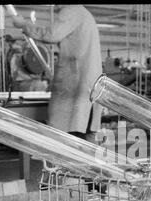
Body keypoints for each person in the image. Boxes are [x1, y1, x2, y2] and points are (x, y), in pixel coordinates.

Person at [12, 5, 103, 143]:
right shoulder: (84, 13)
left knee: (67, 139)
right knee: (87, 140)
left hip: (74, 88)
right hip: (88, 88)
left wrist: (23, 24)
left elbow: (52, 34)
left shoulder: (71, 10)